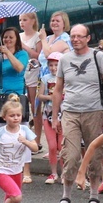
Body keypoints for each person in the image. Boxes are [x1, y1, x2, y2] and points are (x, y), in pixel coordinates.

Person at [51, 24, 103, 203]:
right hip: (70, 112)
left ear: (88, 38)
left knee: (95, 154)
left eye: (80, 36)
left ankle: (94, 195)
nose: (75, 39)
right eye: (73, 36)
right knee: (70, 155)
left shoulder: (98, 57)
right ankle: (66, 195)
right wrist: (55, 116)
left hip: (93, 111)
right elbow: (57, 89)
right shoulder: (64, 59)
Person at [0, 27, 31, 183]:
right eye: (5, 37)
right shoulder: (0, 57)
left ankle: (25, 170)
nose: (7, 40)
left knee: (22, 133)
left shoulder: (21, 54)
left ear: (16, 39)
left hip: (17, 96)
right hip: (2, 96)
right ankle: (4, 167)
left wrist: (8, 53)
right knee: (3, 133)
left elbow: (19, 68)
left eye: (11, 37)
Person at [19, 12, 43, 150]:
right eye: (20, 20)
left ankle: (37, 140)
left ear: (33, 21)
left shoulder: (37, 36)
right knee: (22, 107)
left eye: (25, 19)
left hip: (34, 74)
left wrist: (25, 47)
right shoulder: (19, 36)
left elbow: (39, 56)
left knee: (35, 107)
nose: (22, 22)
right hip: (22, 74)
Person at [38, 52, 63, 184]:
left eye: (56, 65)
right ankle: (53, 173)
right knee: (52, 146)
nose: (53, 68)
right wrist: (51, 98)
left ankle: (65, 173)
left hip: (63, 115)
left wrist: (60, 97)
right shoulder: (45, 78)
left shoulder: (65, 79)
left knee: (62, 145)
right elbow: (40, 95)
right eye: (51, 65)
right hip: (47, 115)